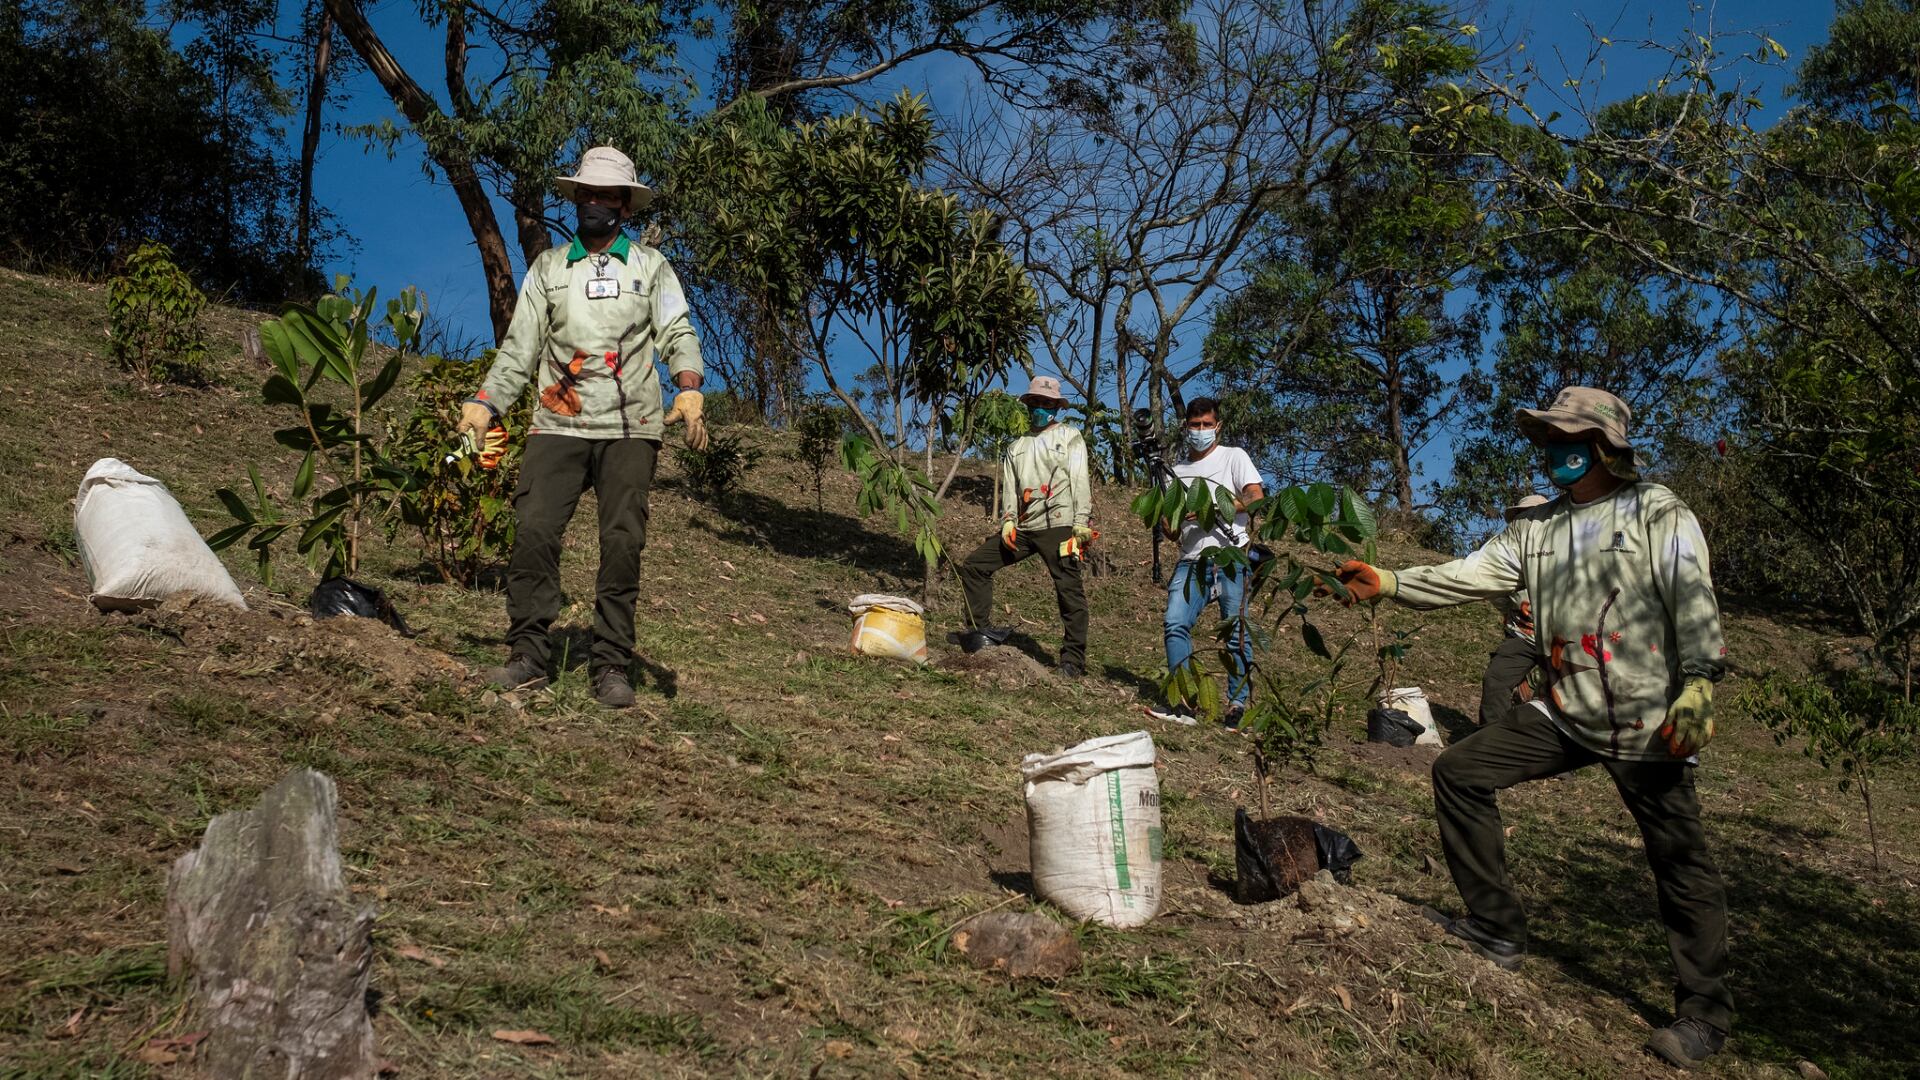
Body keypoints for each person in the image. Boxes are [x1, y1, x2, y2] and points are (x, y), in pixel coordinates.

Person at [1332, 387, 1733, 1070]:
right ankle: (1495, 929)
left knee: (1679, 861)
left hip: (1647, 720)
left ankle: (1703, 1015)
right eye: (1549, 437)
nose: (1555, 449)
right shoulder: (1535, 528)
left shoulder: (1656, 511)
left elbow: (1692, 595)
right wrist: (1392, 582)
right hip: (1567, 709)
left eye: (1569, 437)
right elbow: (1470, 574)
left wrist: (1698, 683)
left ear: (1605, 445)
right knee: (1460, 771)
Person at [456, 145, 708, 708]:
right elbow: (519, 348)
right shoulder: (549, 269)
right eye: (586, 193)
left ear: (624, 205)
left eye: (606, 195)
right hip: (558, 422)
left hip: (631, 425)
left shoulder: (650, 267)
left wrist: (688, 387)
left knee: (622, 543)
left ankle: (611, 662)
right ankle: (527, 655)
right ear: (576, 199)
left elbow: (677, 330)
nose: (594, 202)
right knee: (534, 530)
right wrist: (486, 403)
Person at [954, 376, 1093, 678]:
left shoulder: (1070, 436)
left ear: (1056, 407)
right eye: (1035, 403)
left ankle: (1072, 661)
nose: (1040, 408)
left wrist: (1081, 522)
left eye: (1047, 403)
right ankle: (979, 632)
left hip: (1059, 524)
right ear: (1028, 405)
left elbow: (1079, 479)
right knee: (976, 565)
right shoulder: (1016, 446)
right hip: (1024, 528)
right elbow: (1010, 489)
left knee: (1068, 590)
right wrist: (1008, 521)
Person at [1146, 398, 1264, 728]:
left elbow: (1255, 497)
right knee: (1175, 623)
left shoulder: (1233, 456)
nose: (1200, 431)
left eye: (1206, 425)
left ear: (1217, 426)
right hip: (1191, 559)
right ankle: (1184, 701)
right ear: (1185, 427)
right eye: (1195, 425)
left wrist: (1214, 509)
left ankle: (1237, 704)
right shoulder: (1177, 472)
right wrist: (1168, 520)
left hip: (1231, 556)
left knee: (1236, 631)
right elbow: (1172, 531)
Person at [1478, 492, 1550, 728]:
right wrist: (1512, 612)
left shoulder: (1567, 550)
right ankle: (1491, 738)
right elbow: (1494, 590)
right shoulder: (1509, 553)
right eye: (1523, 517)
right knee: (1495, 680)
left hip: (1562, 637)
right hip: (1523, 634)